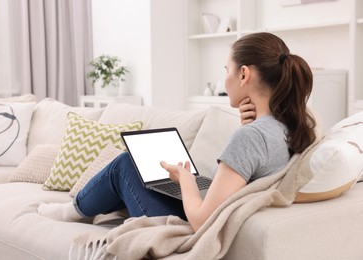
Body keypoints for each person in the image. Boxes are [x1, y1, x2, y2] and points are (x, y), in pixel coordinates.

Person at [38, 32, 316, 232]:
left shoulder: (251, 137)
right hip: (226, 210)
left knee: (124, 165)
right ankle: (87, 209)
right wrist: (248, 126)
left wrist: (185, 180)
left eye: (226, 70)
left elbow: (201, 221)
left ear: (243, 75)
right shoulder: (289, 126)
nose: (225, 79)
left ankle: (72, 211)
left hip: (192, 226)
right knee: (145, 174)